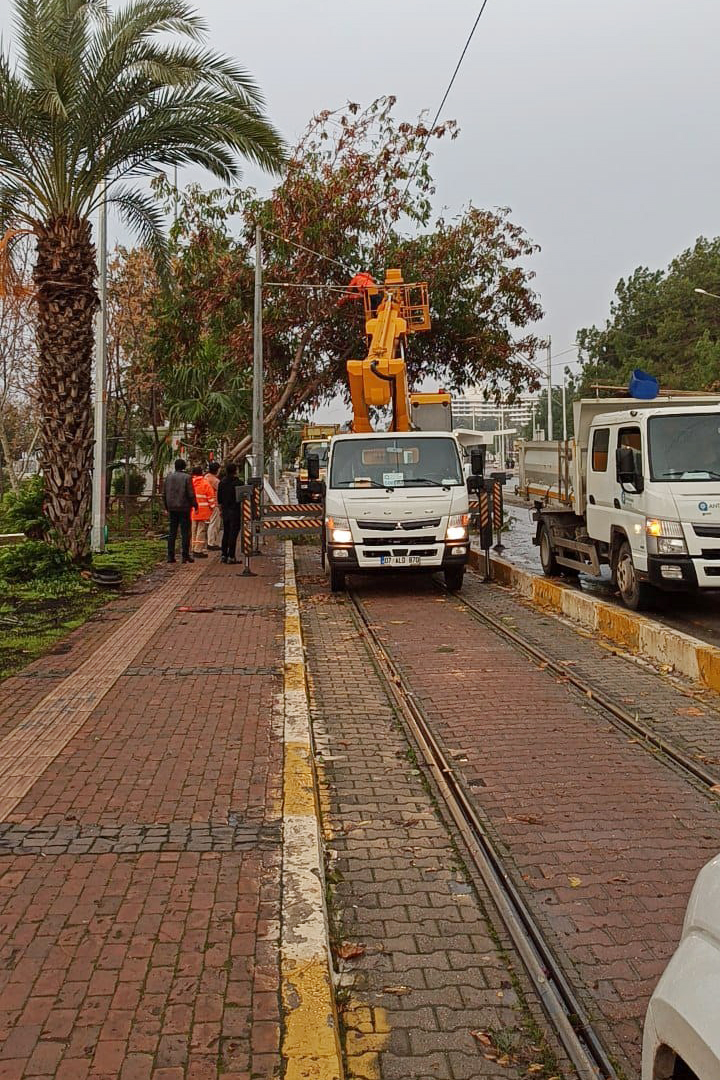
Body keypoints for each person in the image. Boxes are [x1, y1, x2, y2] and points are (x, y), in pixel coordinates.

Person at [163, 459, 198, 564]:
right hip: (184, 508)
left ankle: (170, 556)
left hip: (172, 508)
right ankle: (185, 556)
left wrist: (166, 506)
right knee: (185, 532)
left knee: (172, 532)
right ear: (184, 466)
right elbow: (190, 493)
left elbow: (164, 493)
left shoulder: (168, 477)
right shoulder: (187, 477)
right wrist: (195, 504)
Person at [217, 462, 242, 564]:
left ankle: (223, 554)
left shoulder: (221, 482)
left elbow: (219, 499)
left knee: (226, 532)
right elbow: (242, 498)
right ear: (235, 471)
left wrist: (221, 509)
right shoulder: (239, 483)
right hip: (235, 510)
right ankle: (231, 556)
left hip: (225, 511)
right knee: (233, 533)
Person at [190, 466, 215, 558]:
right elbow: (211, 497)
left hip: (192, 511)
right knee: (201, 531)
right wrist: (212, 507)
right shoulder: (205, 483)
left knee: (193, 530)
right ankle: (198, 550)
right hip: (203, 511)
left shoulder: (190, 483)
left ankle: (193, 548)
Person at [205, 461, 222, 550]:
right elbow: (220, 492)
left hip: (205, 504)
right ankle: (211, 543)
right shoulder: (215, 481)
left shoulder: (206, 477)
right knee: (214, 524)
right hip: (214, 504)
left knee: (210, 523)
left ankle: (210, 542)